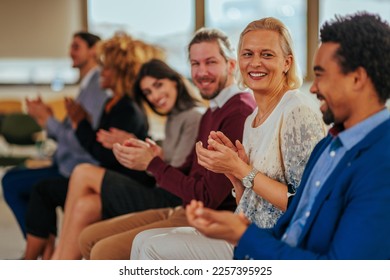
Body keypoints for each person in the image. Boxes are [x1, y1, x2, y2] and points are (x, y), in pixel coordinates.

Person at [186, 12, 390, 260]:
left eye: (321, 74)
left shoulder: (380, 162)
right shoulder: (329, 146)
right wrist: (235, 173)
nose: (313, 88)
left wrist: (244, 235)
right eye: (247, 54)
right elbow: (295, 220)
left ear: (357, 79)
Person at [131, 17, 327, 260]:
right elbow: (249, 201)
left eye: (267, 54)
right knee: (143, 239)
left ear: (286, 63)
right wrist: (232, 175)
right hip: (244, 229)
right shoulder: (251, 119)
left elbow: (305, 204)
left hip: (275, 243)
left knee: (152, 248)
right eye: (248, 54)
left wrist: (241, 169)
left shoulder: (296, 110)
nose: (255, 63)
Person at [73, 27, 257, 260]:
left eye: (210, 62)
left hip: (206, 214)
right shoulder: (213, 109)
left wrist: (154, 164)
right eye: (195, 64)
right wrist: (153, 159)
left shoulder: (237, 112)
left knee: (102, 250)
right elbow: (191, 170)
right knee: (87, 237)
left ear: (230, 65)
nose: (201, 72)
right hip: (185, 206)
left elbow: (208, 197)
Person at [49, 57, 205, 260]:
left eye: (158, 85)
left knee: (83, 171)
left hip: (169, 198)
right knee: (86, 204)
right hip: (159, 189)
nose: (155, 96)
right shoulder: (174, 116)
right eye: (148, 92)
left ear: (174, 81)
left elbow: (175, 170)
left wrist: (149, 158)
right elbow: (171, 155)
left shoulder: (193, 116)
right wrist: (138, 142)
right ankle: (60, 260)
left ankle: (56, 261)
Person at [22, 33, 161, 260]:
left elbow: (104, 156)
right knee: (80, 201)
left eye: (106, 68)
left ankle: (49, 259)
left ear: (119, 72)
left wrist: (80, 124)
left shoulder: (128, 108)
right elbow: (99, 148)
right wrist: (82, 124)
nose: (101, 73)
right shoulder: (111, 103)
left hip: (128, 182)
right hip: (111, 176)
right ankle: (57, 257)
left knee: (62, 184)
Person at [1, 31, 108, 244]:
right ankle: (43, 247)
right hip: (66, 162)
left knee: (12, 183)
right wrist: (46, 118)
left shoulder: (97, 86)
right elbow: (75, 131)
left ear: (94, 51)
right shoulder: (87, 85)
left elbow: (83, 138)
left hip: (77, 167)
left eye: (76, 47)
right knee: (16, 179)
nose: (70, 52)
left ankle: (41, 248)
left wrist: (46, 120)